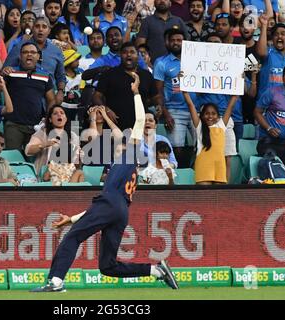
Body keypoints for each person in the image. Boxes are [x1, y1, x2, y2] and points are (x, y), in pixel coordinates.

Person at [30, 72, 179, 293]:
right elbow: (103, 205)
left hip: (111, 206)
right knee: (107, 266)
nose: (118, 141)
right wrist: (71, 219)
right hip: (120, 211)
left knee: (72, 238)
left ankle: (55, 282)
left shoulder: (130, 154)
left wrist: (136, 93)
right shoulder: (124, 166)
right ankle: (156, 271)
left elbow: (139, 121)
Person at [0, 42, 56, 151]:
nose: (29, 55)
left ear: (38, 56)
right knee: (12, 158)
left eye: (33, 52)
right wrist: (2, 74)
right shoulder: (11, 72)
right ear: (20, 56)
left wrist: (46, 120)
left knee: (35, 161)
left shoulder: (45, 76)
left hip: (36, 126)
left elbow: (51, 100)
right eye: (25, 52)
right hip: (13, 124)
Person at [153, 28, 196, 167]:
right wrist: (166, 114)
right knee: (176, 147)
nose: (176, 43)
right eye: (173, 40)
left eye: (179, 40)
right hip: (174, 110)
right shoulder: (161, 63)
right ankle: (180, 176)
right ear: (168, 42)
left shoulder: (196, 60)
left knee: (202, 145)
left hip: (197, 110)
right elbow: (158, 92)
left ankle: (194, 173)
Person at [93, 41, 158, 130]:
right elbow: (96, 96)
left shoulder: (146, 75)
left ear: (138, 55)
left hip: (139, 126)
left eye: (132, 52)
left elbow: (156, 96)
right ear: (120, 55)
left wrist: (159, 106)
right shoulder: (109, 74)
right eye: (125, 52)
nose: (128, 55)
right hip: (114, 125)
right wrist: (106, 110)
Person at [4, 17, 66, 105]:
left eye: (44, 27)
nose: (40, 29)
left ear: (49, 31)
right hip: (24, 99)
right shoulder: (20, 47)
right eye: (37, 26)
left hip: (49, 100)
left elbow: (61, 76)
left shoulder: (56, 51)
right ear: (32, 29)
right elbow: (5, 70)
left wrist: (60, 92)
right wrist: (7, 70)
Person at [183, 90, 238, 185]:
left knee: (218, 197)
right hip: (203, 166)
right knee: (204, 197)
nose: (210, 116)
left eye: (213, 113)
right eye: (207, 113)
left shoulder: (221, 126)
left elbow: (230, 106)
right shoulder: (199, 126)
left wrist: (237, 89)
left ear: (218, 116)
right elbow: (190, 105)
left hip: (219, 166)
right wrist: (185, 92)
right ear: (202, 116)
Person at [25, 105, 82, 183]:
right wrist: (44, 145)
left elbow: (76, 163)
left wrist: (79, 157)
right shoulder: (42, 133)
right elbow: (28, 150)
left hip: (68, 174)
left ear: (65, 119)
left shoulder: (73, 136)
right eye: (55, 113)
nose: (59, 115)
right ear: (50, 119)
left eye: (62, 113)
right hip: (45, 174)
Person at [62, 49, 84, 121]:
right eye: (76, 60)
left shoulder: (81, 74)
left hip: (77, 108)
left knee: (75, 129)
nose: (78, 61)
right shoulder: (61, 76)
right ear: (69, 62)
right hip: (64, 108)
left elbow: (82, 89)